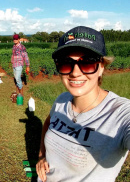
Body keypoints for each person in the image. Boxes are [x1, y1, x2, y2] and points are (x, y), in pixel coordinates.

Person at [36, 26, 130, 182]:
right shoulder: (61, 100)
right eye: (66, 63)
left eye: (87, 63)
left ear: (101, 67)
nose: (75, 72)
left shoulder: (120, 113)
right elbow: (47, 123)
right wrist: (41, 156)